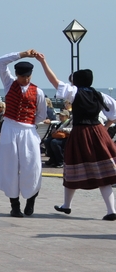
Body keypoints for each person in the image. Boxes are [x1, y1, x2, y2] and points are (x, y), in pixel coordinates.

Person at [36, 62, 116, 219]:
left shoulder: (74, 92)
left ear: (76, 82)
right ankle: (111, 210)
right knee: (103, 170)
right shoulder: (100, 95)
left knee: (71, 166)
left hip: (80, 132)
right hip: (98, 132)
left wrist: (43, 63)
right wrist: (104, 128)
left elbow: (54, 81)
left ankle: (67, 205)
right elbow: (113, 115)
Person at [0, 50, 48, 218]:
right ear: (16, 74)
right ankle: (15, 206)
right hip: (10, 127)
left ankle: (31, 199)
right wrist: (22, 54)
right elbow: (1, 61)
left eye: (26, 77)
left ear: (30, 76)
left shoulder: (38, 92)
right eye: (21, 76)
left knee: (32, 166)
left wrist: (29, 123)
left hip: (28, 129)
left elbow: (41, 114)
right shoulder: (9, 83)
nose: (24, 79)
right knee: (9, 167)